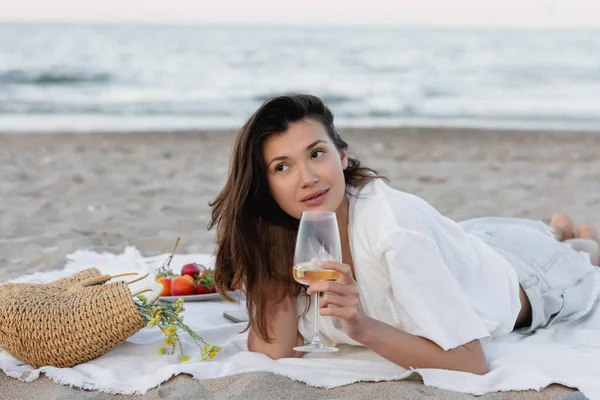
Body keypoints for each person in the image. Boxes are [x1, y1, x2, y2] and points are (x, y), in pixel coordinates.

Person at [208, 94, 600, 375]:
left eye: (316, 154)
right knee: (524, 234)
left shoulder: (396, 233)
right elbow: (273, 353)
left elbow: (471, 362)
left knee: (581, 253)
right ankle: (558, 226)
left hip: (527, 276)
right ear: (265, 185)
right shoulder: (288, 234)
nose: (307, 178)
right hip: (467, 241)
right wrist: (266, 263)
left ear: (341, 157)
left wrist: (363, 328)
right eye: (282, 167)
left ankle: (572, 236)